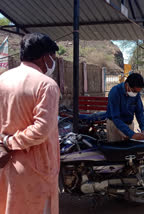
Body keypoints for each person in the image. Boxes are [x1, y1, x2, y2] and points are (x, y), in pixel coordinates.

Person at [0, 33, 60, 214]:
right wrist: (10, 142)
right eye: (53, 57)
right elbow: (41, 130)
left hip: (4, 163)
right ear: (45, 57)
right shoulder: (46, 85)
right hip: (35, 169)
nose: (53, 62)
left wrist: (3, 142)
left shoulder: (3, 79)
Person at [106, 73, 144, 142]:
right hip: (115, 125)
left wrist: (143, 129)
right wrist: (132, 134)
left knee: (129, 151)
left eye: (138, 92)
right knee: (115, 150)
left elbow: (139, 112)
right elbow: (116, 117)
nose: (136, 93)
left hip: (129, 124)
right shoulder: (115, 92)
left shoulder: (136, 94)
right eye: (134, 91)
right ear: (127, 85)